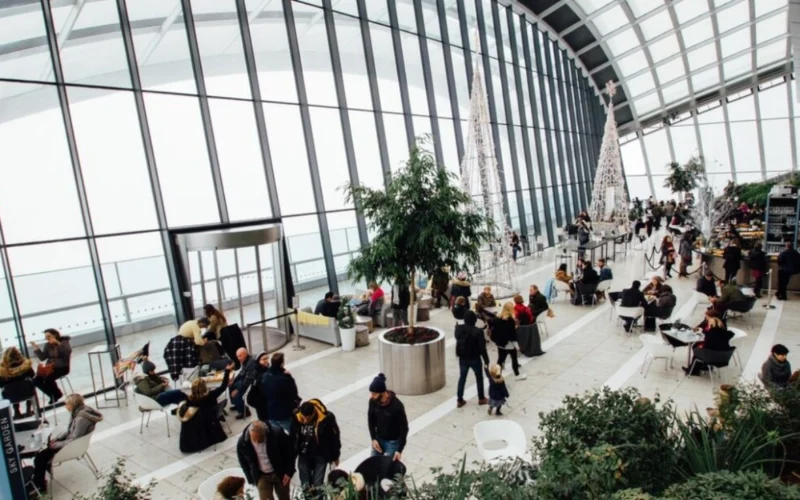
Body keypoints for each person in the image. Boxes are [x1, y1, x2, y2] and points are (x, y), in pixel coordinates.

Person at [32, 394, 102, 491]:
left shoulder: (81, 418)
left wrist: (56, 445)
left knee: (39, 457)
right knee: (42, 454)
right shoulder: (79, 412)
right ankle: (39, 479)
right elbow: (70, 430)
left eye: (67, 404)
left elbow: (74, 438)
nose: (65, 406)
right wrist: (57, 439)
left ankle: (40, 485)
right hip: (70, 443)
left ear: (73, 405)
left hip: (71, 447)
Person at [177, 362, 233, 453]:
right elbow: (223, 386)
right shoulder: (210, 396)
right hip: (208, 421)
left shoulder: (190, 398)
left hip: (196, 424)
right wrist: (227, 372)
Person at [237, 420, 295, 500]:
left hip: (280, 472)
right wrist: (250, 478)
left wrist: (289, 472)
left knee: (284, 498)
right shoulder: (242, 442)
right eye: (254, 439)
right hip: (262, 476)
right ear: (250, 434)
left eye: (260, 439)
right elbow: (242, 461)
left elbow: (290, 452)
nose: (257, 442)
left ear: (265, 432)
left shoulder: (277, 434)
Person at [293, 399, 341, 494]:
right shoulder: (297, 417)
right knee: (305, 484)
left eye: (308, 418)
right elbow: (293, 437)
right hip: (304, 454)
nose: (305, 420)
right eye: (304, 417)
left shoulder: (326, 418)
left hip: (320, 455)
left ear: (313, 413)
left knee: (318, 484)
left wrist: (335, 456)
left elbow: (334, 437)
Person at [368, 374, 408, 461]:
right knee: (372, 464)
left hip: (392, 443)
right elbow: (370, 420)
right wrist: (373, 438)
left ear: (382, 392)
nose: (372, 396)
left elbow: (404, 428)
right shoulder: (373, 401)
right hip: (379, 439)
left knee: (385, 468)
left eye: (374, 394)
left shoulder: (397, 406)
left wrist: (399, 450)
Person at [455, 311, 489, 408]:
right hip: (475, 358)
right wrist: (486, 360)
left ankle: (459, 399)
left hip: (463, 357)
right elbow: (482, 348)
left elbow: (457, 337)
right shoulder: (478, 332)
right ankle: (481, 398)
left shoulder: (459, 329)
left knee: (462, 378)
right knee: (479, 378)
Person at [31, 328, 72, 405]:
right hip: (50, 367)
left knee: (48, 378)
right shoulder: (47, 345)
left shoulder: (64, 342)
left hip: (62, 367)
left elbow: (67, 352)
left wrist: (57, 343)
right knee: (36, 381)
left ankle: (55, 395)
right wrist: (37, 349)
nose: (47, 339)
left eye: (49, 336)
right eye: (46, 337)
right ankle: (54, 394)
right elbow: (43, 357)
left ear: (55, 335)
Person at [260, 352, 300, 433]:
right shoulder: (285, 379)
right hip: (284, 413)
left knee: (275, 433)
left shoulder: (265, 377)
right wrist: (289, 376)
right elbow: (293, 393)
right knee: (287, 434)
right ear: (282, 364)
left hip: (271, 411)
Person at [683, 311, 732, 376]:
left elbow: (707, 345)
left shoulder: (711, 334)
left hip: (712, 355)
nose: (706, 319)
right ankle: (701, 366)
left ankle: (693, 371)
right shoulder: (723, 332)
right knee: (697, 346)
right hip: (724, 356)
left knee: (697, 349)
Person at [490, 302, 527, 380]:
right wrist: (517, 346)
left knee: (500, 358)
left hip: (500, 342)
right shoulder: (510, 320)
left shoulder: (497, 318)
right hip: (508, 343)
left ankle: (497, 375)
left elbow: (495, 331)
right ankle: (517, 375)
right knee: (514, 358)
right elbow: (512, 335)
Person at [0, 346, 34, 419]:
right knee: (28, 385)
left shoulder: (2, 370)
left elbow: (1, 384)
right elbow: (32, 375)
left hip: (10, 396)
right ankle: (28, 409)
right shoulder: (25, 365)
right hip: (27, 393)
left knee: (11, 388)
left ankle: (16, 411)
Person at [230, 348, 259, 419]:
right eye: (237, 356)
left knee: (236, 394)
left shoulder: (251, 363)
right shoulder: (244, 360)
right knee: (231, 386)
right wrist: (233, 381)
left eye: (240, 356)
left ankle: (245, 411)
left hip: (251, 382)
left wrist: (238, 390)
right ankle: (237, 404)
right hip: (245, 379)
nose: (238, 358)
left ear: (245, 354)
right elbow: (242, 372)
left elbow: (248, 380)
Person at [246, 352, 270, 422]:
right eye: (263, 359)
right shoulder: (258, 374)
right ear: (258, 361)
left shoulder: (265, 370)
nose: (266, 360)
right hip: (261, 403)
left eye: (267, 358)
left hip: (261, 402)